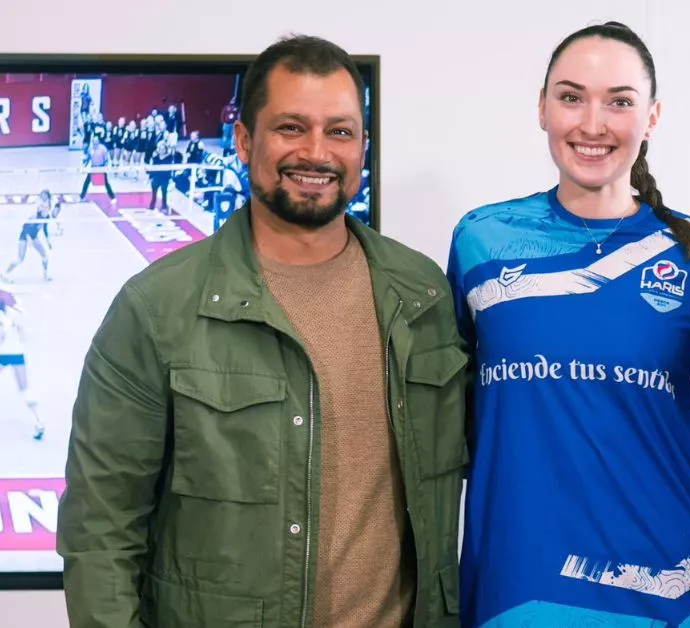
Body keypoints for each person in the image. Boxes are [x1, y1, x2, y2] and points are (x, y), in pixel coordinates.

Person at [58, 34, 468, 628]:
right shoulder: (156, 309)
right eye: (291, 128)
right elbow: (99, 532)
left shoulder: (423, 294)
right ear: (245, 140)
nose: (317, 152)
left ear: (362, 148)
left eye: (340, 131)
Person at [447, 21, 690, 628]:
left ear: (652, 117)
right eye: (571, 97)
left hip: (676, 588)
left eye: (620, 102)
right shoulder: (481, 240)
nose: (592, 123)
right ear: (542, 107)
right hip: (520, 583)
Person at [0, 290, 43, 440]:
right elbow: (22, 336)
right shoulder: (10, 317)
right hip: (17, 354)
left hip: (2, 354)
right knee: (25, 389)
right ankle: (38, 421)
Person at [1, 189, 56, 282]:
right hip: (24, 236)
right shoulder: (35, 216)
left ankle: (45, 275)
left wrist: (48, 242)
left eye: (48, 206)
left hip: (34, 237)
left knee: (45, 256)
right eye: (44, 206)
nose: (46, 208)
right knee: (20, 259)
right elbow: (25, 227)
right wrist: (29, 239)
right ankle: (4, 274)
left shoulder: (46, 217)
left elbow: (45, 230)